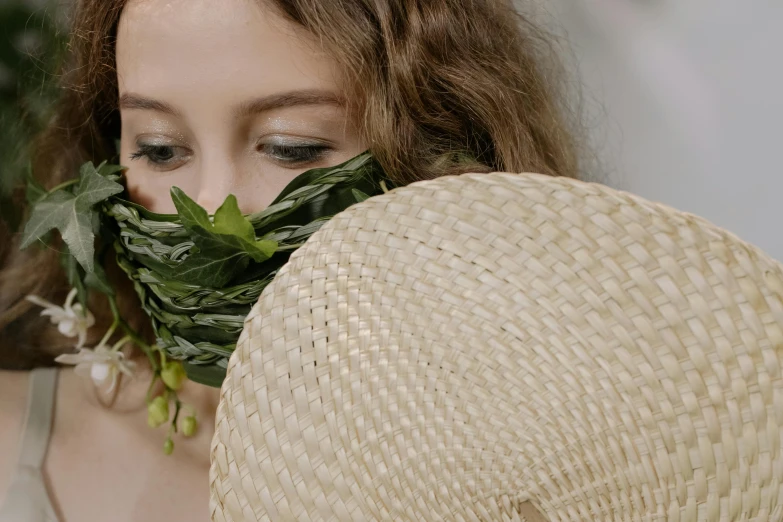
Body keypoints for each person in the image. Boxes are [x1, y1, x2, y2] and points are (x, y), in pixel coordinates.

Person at [0, 0, 579, 520]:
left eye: (290, 147)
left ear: (440, 161)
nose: (208, 205)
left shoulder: (527, 488)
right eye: (160, 149)